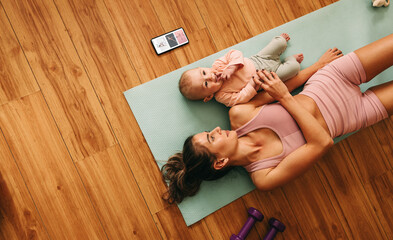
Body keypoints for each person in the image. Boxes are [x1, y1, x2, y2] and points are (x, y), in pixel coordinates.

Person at [161, 33, 393, 204]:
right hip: (359, 113)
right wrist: (284, 97)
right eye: (212, 137)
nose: (217, 129)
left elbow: (284, 85)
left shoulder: (239, 114)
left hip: (331, 78)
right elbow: (322, 143)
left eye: (210, 131)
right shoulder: (264, 177)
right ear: (220, 161)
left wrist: (319, 66)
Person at [179, 33, 304, 107]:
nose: (210, 77)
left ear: (203, 68)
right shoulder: (222, 96)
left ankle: (281, 41)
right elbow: (241, 98)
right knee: (294, 69)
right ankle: (291, 60)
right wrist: (253, 83)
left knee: (279, 43)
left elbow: (235, 53)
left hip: (259, 58)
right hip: (268, 77)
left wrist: (232, 67)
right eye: (206, 83)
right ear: (209, 97)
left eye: (204, 73)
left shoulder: (217, 65)